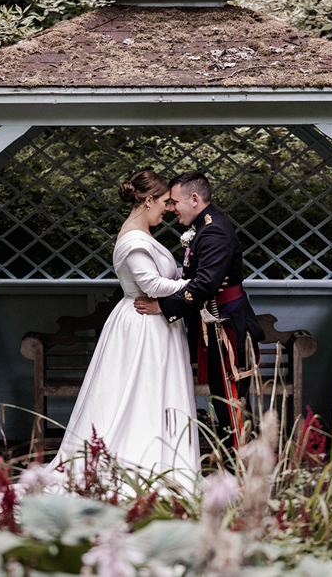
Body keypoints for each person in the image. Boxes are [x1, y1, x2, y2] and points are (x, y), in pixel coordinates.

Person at [48, 170, 200, 489]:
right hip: (143, 326)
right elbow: (150, 284)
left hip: (157, 323)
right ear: (147, 201)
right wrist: (198, 285)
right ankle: (140, 464)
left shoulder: (142, 235)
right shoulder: (133, 240)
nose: (168, 209)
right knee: (140, 394)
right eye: (164, 202)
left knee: (156, 392)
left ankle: (166, 463)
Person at [135, 171, 264, 446]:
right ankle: (236, 470)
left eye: (174, 202)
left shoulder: (214, 229)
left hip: (227, 324)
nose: (171, 209)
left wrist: (162, 306)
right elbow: (201, 281)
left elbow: (204, 286)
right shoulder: (206, 225)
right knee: (224, 399)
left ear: (194, 199)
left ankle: (241, 474)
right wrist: (198, 283)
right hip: (215, 322)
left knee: (231, 402)